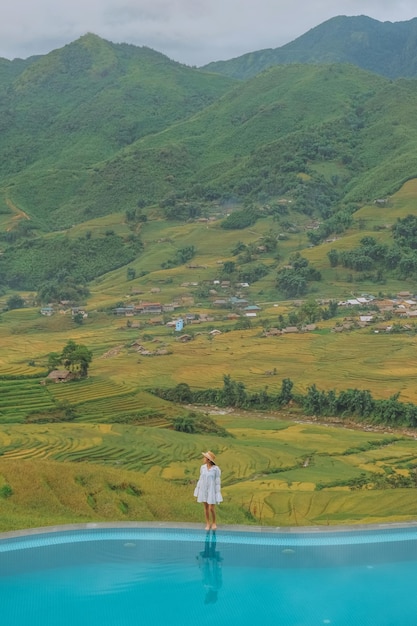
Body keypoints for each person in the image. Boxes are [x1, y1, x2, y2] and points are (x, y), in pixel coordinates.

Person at [194, 451, 223, 530]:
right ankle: (207, 523)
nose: (203, 459)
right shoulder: (202, 468)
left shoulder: (216, 469)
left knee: (211, 508)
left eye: (205, 458)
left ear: (209, 460)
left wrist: (217, 493)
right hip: (203, 490)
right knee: (206, 508)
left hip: (211, 490)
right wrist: (198, 489)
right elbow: (201, 479)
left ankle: (214, 522)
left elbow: (217, 482)